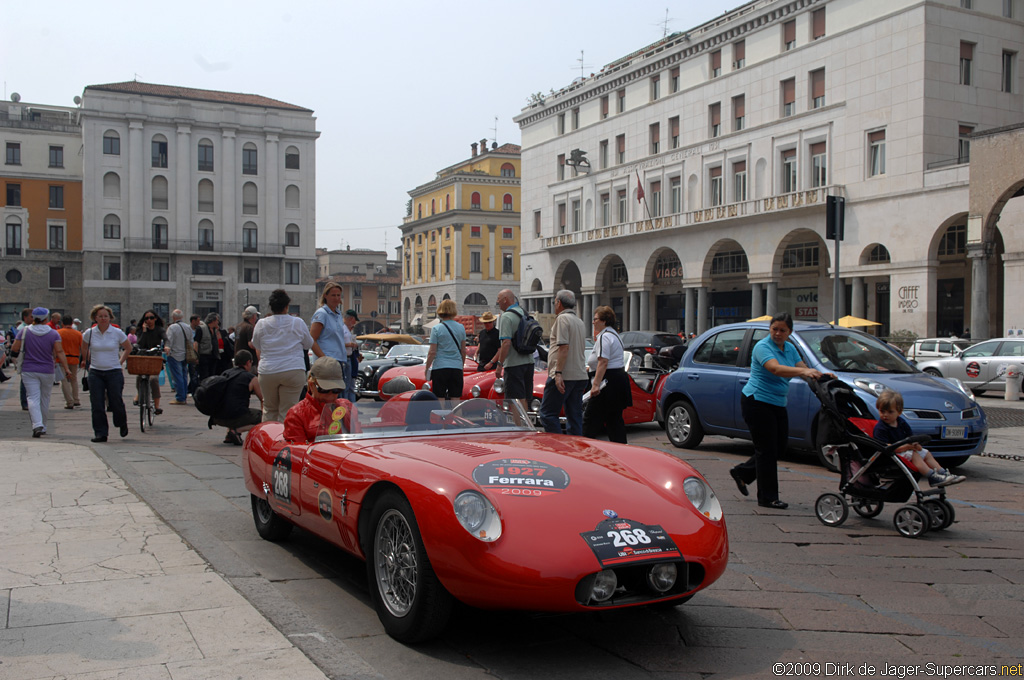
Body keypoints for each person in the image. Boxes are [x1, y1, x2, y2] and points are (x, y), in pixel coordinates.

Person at [729, 312, 827, 510]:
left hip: (777, 403)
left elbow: (802, 367)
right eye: (774, 329)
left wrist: (822, 375)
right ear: (770, 329)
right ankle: (768, 498)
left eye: (783, 330)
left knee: (779, 447)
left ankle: (744, 473)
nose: (778, 333)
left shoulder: (789, 348)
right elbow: (776, 369)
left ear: (790, 332)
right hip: (756, 402)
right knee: (766, 450)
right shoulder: (762, 347)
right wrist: (804, 372)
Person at [252, 288, 322, 422]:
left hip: (268, 370)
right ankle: (286, 440)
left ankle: (269, 439)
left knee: (269, 409)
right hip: (293, 369)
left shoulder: (261, 324)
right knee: (289, 410)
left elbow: (257, 344)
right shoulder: (298, 322)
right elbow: (308, 344)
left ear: (271, 307)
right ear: (287, 306)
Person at [874, 390, 966, 486]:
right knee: (915, 455)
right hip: (891, 455)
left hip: (903, 451)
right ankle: (932, 476)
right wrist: (906, 447)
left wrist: (915, 444)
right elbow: (885, 447)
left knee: (926, 453)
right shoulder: (881, 428)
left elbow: (910, 437)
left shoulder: (901, 422)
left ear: (899, 412)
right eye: (882, 411)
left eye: (890, 412)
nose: (885, 415)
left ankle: (943, 473)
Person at [12, 307, 71, 437]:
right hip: (47, 370)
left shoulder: (24, 331)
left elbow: (15, 348)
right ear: (46, 318)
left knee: (32, 397)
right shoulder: (53, 333)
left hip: (29, 369)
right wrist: (66, 368)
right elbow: (59, 352)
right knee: (45, 398)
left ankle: (37, 424)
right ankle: (43, 426)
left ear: (33, 317)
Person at [538, 290, 588, 435]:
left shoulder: (562, 319)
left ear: (559, 303)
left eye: (554, 302)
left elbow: (563, 347)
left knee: (547, 414)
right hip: (579, 375)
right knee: (574, 417)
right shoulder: (579, 321)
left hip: (564, 375)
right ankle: (575, 447)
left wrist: (558, 373)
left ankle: (558, 446)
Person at [81, 304, 132, 443]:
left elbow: (128, 347)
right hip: (96, 372)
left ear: (110, 317)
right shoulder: (89, 333)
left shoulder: (116, 332)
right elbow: (84, 347)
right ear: (95, 318)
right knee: (97, 403)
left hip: (113, 371)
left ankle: (121, 422)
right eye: (100, 316)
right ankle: (100, 432)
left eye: (106, 316)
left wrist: (120, 361)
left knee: (115, 400)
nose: (103, 319)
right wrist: (89, 360)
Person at [583, 306, 632, 443]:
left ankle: (584, 449)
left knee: (590, 419)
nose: (593, 322)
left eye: (595, 319)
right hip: (616, 380)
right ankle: (620, 449)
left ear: (604, 321)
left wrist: (595, 385)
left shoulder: (604, 337)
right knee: (614, 420)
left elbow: (603, 362)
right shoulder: (614, 335)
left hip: (607, 383)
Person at [283, 356, 357, 443]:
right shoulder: (297, 414)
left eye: (336, 390)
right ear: (311, 384)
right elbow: (297, 452)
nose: (330, 396)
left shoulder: (347, 406)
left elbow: (359, 441)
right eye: (324, 390)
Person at [310, 282, 356, 400]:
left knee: (339, 398)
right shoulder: (321, 314)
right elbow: (312, 339)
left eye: (338, 295)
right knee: (328, 398)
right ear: (325, 296)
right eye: (333, 295)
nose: (336, 298)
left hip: (340, 361)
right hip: (328, 362)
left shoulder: (338, 314)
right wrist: (324, 359)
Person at [210, 350, 264, 445]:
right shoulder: (251, 378)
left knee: (232, 405)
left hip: (217, 417)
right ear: (248, 362)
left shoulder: (225, 373)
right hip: (236, 417)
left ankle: (229, 435)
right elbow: (263, 399)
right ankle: (237, 430)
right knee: (262, 417)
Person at [493, 289, 534, 410]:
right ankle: (526, 425)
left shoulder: (506, 317)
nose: (497, 302)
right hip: (529, 362)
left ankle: (520, 426)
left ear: (505, 300)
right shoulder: (524, 313)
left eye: (499, 299)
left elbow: (506, 343)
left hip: (514, 364)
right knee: (525, 398)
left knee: (515, 401)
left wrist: (499, 364)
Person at [423, 299, 467, 400]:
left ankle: (441, 416)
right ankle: (455, 415)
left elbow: (432, 352)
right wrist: (461, 365)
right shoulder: (461, 328)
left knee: (440, 398)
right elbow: (463, 351)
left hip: (440, 367)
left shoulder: (436, 329)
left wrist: (427, 368)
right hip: (456, 367)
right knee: (456, 398)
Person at [133, 309, 166, 415]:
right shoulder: (141, 330)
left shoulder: (159, 330)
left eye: (151, 318)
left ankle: (156, 406)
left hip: (155, 358)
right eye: (146, 318)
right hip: (143, 357)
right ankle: (139, 394)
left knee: (153, 379)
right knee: (139, 377)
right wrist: (144, 332)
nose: (149, 320)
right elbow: (140, 343)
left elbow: (166, 338)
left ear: (155, 319)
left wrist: (167, 346)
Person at [164, 309, 193, 405]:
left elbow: (169, 340)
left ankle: (180, 397)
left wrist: (167, 348)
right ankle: (183, 395)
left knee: (177, 376)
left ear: (173, 317)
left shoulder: (172, 327)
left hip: (175, 354)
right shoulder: (187, 327)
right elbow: (191, 341)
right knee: (184, 376)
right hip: (185, 354)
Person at [57, 315, 83, 409]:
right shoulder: (78, 334)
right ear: (72, 323)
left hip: (61, 359)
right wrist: (83, 359)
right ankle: (76, 399)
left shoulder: (58, 333)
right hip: (74, 359)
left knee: (64, 381)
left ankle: (69, 401)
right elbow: (82, 347)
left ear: (62, 323)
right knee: (74, 379)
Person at [195, 313, 225, 381]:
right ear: (213, 321)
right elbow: (196, 342)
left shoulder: (215, 330)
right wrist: (196, 356)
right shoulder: (201, 329)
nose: (218, 322)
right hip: (204, 356)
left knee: (212, 376)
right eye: (217, 320)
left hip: (213, 356)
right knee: (204, 376)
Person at [343, 310, 361, 403]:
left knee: (350, 385)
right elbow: (339, 343)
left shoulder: (348, 330)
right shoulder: (342, 329)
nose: (354, 322)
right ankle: (346, 405)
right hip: (345, 358)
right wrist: (349, 344)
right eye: (354, 320)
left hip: (350, 357)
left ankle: (351, 405)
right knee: (347, 385)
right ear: (351, 319)